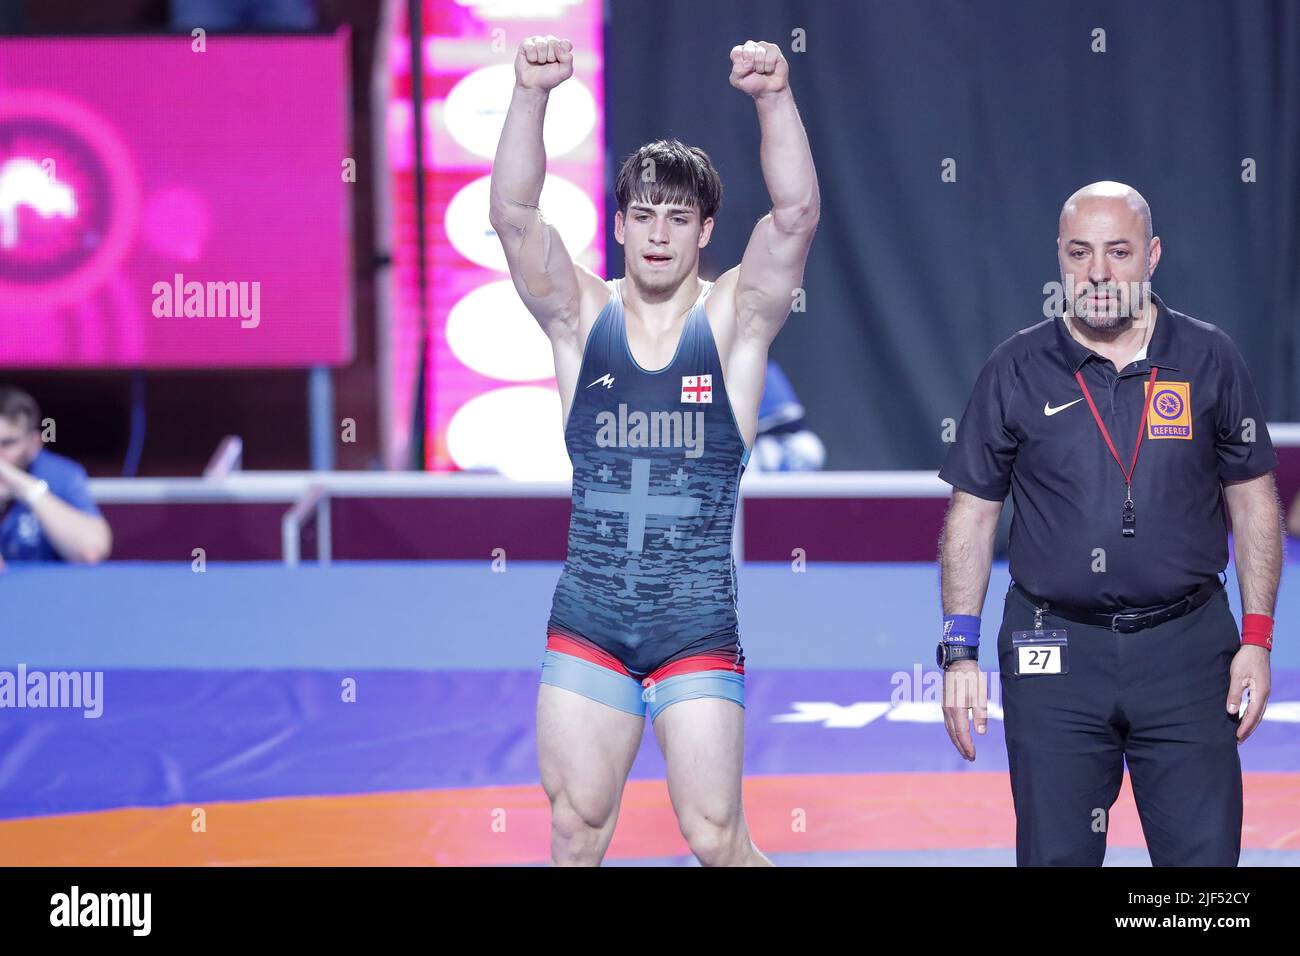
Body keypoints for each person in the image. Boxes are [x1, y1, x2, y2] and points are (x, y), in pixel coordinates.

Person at [489, 36, 818, 865]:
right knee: (575, 830)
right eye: (644, 216)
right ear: (620, 225)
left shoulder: (734, 323)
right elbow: (514, 218)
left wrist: (774, 97)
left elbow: (795, 218)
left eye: (679, 218)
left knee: (714, 837)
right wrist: (529, 96)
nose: (660, 235)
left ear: (706, 229)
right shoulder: (579, 317)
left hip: (693, 625)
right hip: (590, 621)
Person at [936, 182, 1281, 866]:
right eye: (1080, 252)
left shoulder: (1209, 358)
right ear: (1059, 259)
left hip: (1189, 651)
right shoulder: (1016, 367)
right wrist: (959, 652)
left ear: (1151, 256)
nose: (1097, 272)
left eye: (1118, 252)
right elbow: (971, 519)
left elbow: (1255, 500)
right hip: (1053, 650)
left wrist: (1259, 639)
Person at [0, 385, 112, 569]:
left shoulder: (59, 474)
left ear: (35, 443)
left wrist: (27, 489)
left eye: (7, 443)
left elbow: (90, 551)